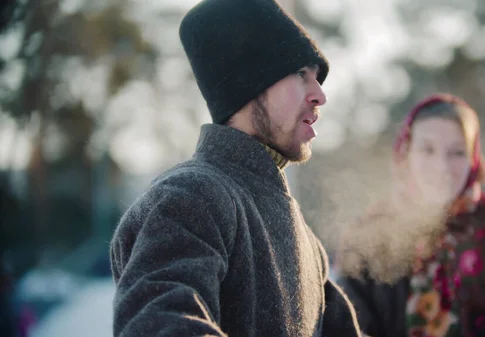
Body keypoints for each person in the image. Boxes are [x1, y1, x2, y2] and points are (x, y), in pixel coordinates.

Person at [109, 0, 361, 336]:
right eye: (302, 74)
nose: (320, 95)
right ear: (248, 83)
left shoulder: (307, 242)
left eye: (318, 79)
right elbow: (160, 325)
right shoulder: (191, 196)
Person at [335, 94, 485, 337]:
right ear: (406, 154)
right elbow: (343, 326)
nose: (442, 167)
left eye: (457, 152)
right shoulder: (367, 237)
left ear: (474, 160)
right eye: (428, 150)